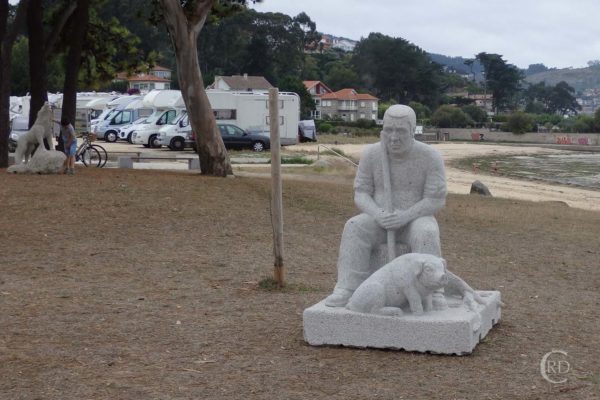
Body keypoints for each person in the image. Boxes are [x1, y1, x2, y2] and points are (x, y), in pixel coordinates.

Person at [324, 105, 448, 307]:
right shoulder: (372, 154)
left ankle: (434, 292)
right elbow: (361, 193)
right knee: (354, 227)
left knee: (427, 231)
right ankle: (348, 288)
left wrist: (405, 216)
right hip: (379, 219)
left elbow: (436, 199)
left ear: (412, 131)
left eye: (400, 131)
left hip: (415, 219)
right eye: (388, 130)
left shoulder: (430, 157)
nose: (393, 137)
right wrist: (378, 213)